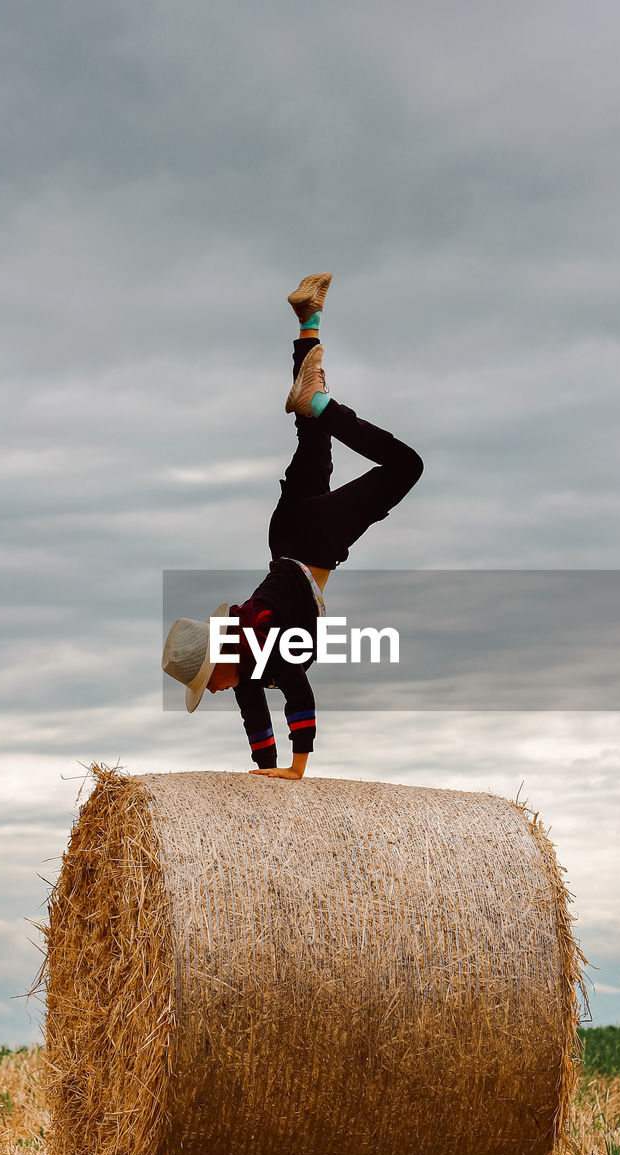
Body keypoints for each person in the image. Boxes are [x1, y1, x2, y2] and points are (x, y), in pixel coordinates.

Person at [161, 273, 423, 780]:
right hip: (284, 534)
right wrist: (265, 768)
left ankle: (322, 403)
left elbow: (298, 691)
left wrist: (296, 770)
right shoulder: (248, 656)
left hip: (311, 542)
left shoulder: (264, 648)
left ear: (218, 662)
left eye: (204, 682)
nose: (211, 691)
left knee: (405, 467)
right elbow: (254, 716)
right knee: (312, 434)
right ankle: (309, 321)